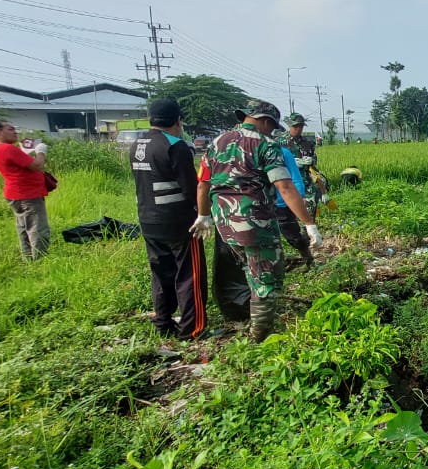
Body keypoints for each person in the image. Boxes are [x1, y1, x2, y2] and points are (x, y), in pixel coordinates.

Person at [190, 100, 321, 342]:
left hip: (225, 223)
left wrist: (203, 215)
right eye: (272, 127)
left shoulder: (218, 142)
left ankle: (251, 317)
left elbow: (203, 183)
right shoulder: (266, 144)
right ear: (265, 121)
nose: (272, 131)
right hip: (254, 223)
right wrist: (309, 224)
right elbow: (284, 185)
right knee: (266, 278)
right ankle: (260, 337)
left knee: (250, 269)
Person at [129, 98, 207, 340]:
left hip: (148, 218)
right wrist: (203, 214)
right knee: (190, 274)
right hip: (178, 221)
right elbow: (191, 187)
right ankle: (192, 329)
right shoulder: (176, 146)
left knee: (161, 272)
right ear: (178, 120)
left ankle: (162, 322)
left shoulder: (137, 144)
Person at [0, 120, 51, 260]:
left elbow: (11, 166)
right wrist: (41, 152)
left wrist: (24, 154)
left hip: (14, 194)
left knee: (24, 227)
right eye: (10, 129)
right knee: (38, 228)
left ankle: (28, 258)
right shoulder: (7, 148)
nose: (15, 132)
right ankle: (41, 262)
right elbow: (37, 165)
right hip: (27, 194)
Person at [269, 128, 315, 267]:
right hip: (262, 205)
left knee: (293, 235)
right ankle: (277, 264)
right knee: (268, 239)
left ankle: (309, 261)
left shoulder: (284, 153)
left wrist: (299, 196)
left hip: (283, 203)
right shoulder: (251, 153)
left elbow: (295, 178)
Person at [283, 113, 326, 207]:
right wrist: (291, 162)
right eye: (295, 126)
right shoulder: (280, 142)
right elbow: (273, 161)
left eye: (301, 126)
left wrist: (311, 160)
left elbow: (314, 160)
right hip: (287, 182)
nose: (298, 129)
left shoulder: (308, 142)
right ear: (290, 125)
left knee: (310, 208)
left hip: (306, 182)